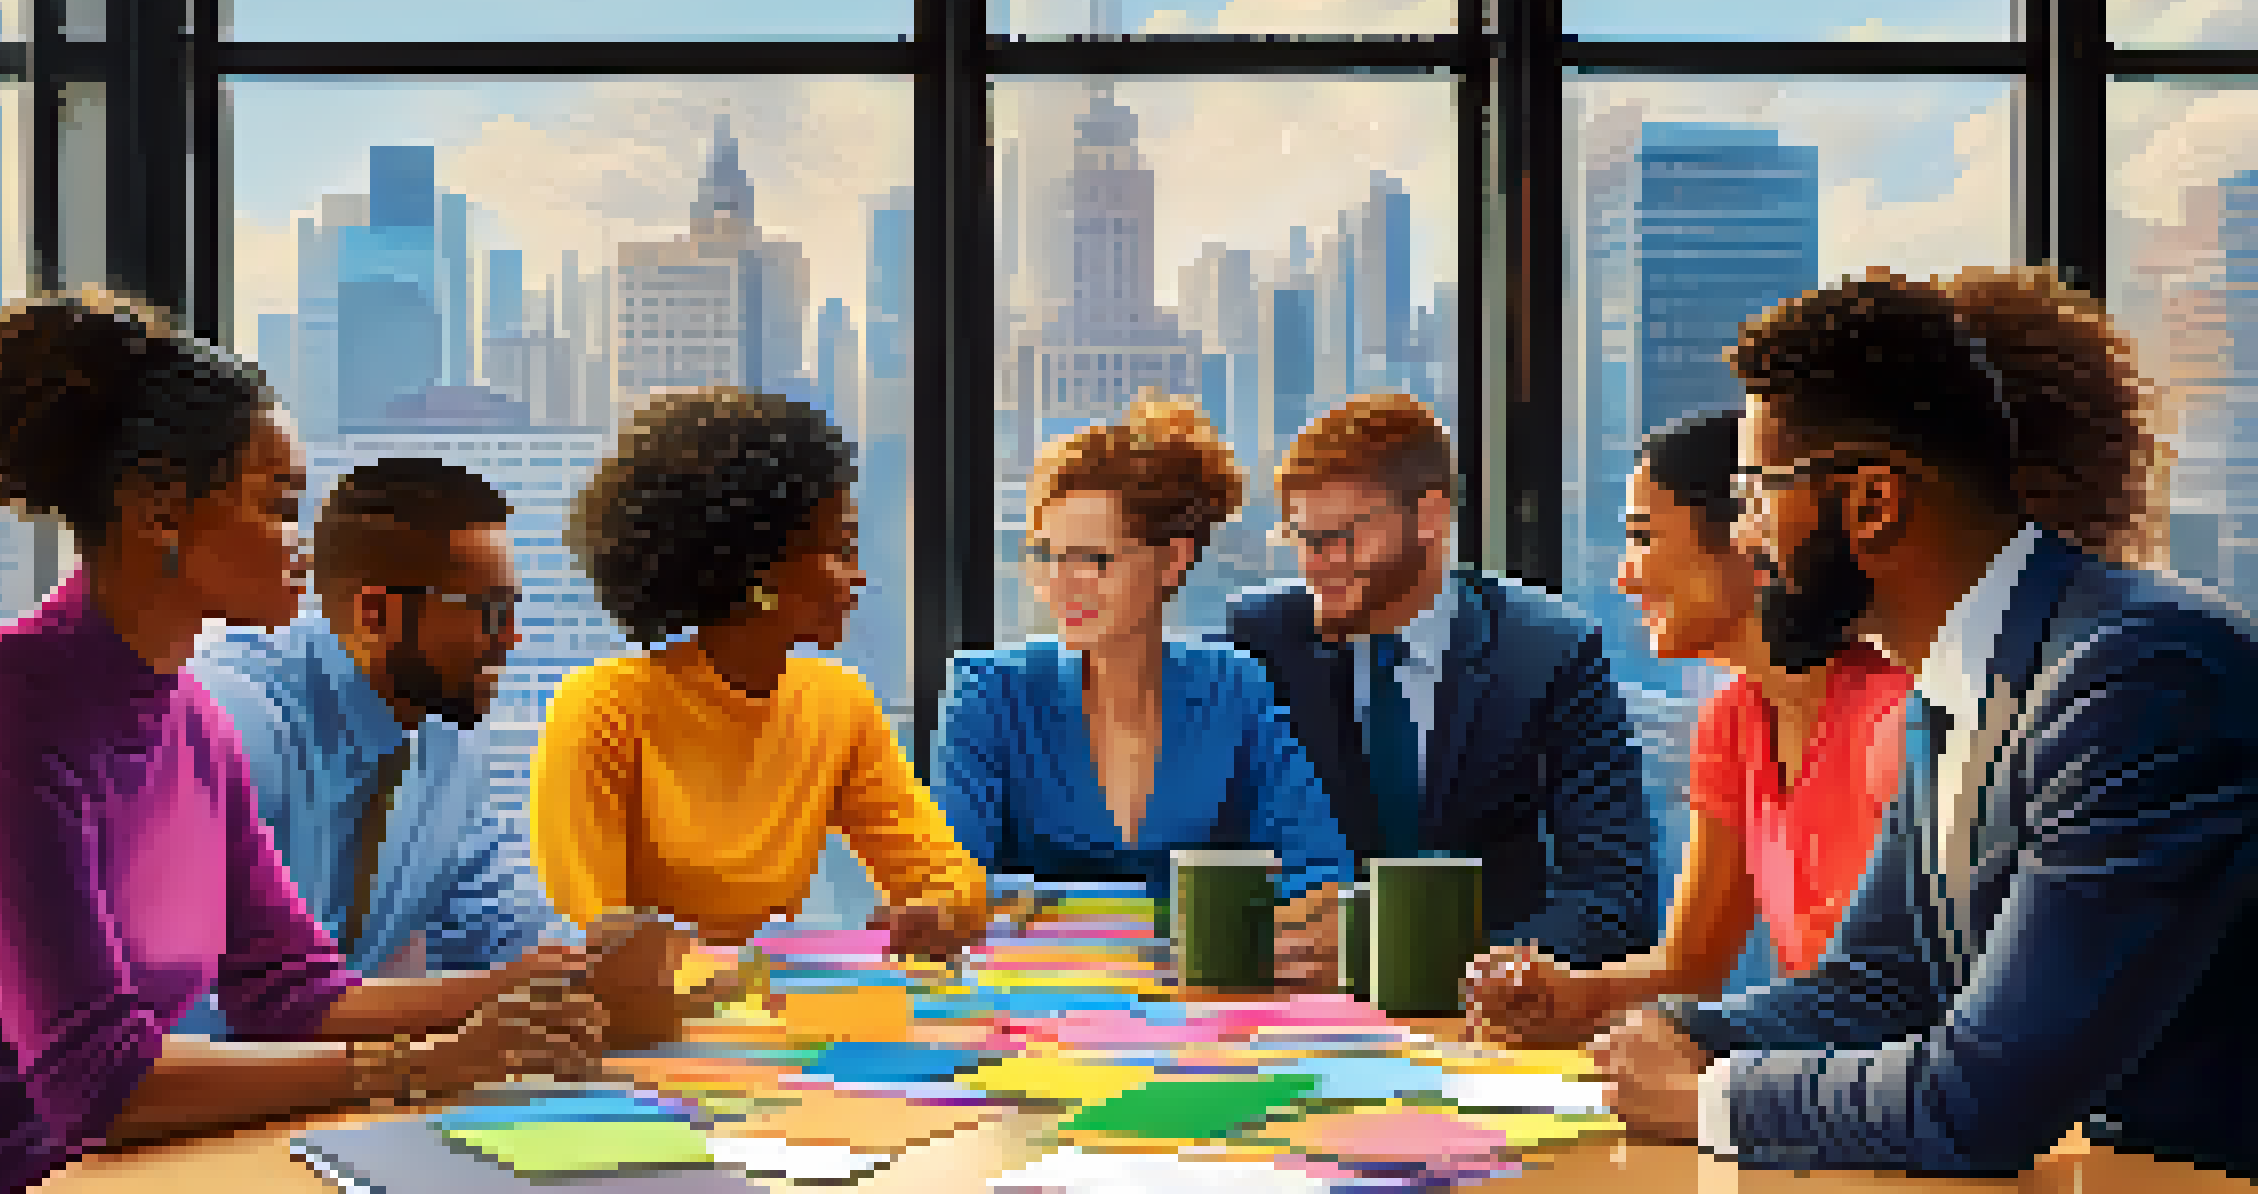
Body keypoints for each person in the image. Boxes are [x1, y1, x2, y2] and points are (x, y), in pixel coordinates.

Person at [0, 291, 601, 1191]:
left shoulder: (194, 724)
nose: (304, 545)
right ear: (158, 511)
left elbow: (290, 990)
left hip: (110, 1172)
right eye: (279, 505)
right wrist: (423, 1065)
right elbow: (99, 1081)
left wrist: (528, 998)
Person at [1593, 266, 2258, 1177]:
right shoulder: (1950, 679)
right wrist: (1674, 1028)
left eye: (1754, 495)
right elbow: (1880, 982)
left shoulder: (2136, 679)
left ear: (1873, 502)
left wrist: (1705, 1097)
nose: (1744, 538)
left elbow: (1978, 1101)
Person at [531, 386, 989, 1044]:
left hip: (754, 1035)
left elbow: (951, 879)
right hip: (622, 1041)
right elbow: (596, 936)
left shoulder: (839, 704)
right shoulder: (602, 707)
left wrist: (937, 913)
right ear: (757, 572)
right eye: (839, 550)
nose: (857, 578)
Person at [1465, 410, 1911, 1047]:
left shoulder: (1893, 714)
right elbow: (1689, 966)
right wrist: (1570, 992)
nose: (1625, 576)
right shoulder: (1732, 722)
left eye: (1645, 536)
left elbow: (1894, 1001)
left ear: (1749, 536)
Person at [1221, 388, 1658, 966]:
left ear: (1429, 516)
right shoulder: (1263, 638)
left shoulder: (1548, 650)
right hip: (1301, 1008)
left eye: (1337, 539)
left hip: (1482, 1007)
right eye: (1301, 538)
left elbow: (1617, 900)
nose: (1313, 564)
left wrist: (1405, 953)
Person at [932, 399, 1355, 987]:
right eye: (1045, 557)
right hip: (1032, 1022)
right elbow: (951, 894)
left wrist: (1043, 915)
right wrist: (1181, 930)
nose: (1061, 585)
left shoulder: (1232, 687)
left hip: (1209, 1018)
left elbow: (1320, 878)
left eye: (1093, 560)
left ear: (1171, 561)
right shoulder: (988, 693)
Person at [170, 457, 580, 1039]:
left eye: (513, 610)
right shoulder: (230, 722)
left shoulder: (447, 740)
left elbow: (500, 923)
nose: (510, 638)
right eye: (488, 611)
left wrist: (592, 971)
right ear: (376, 613)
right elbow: (197, 1010)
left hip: (325, 1091)